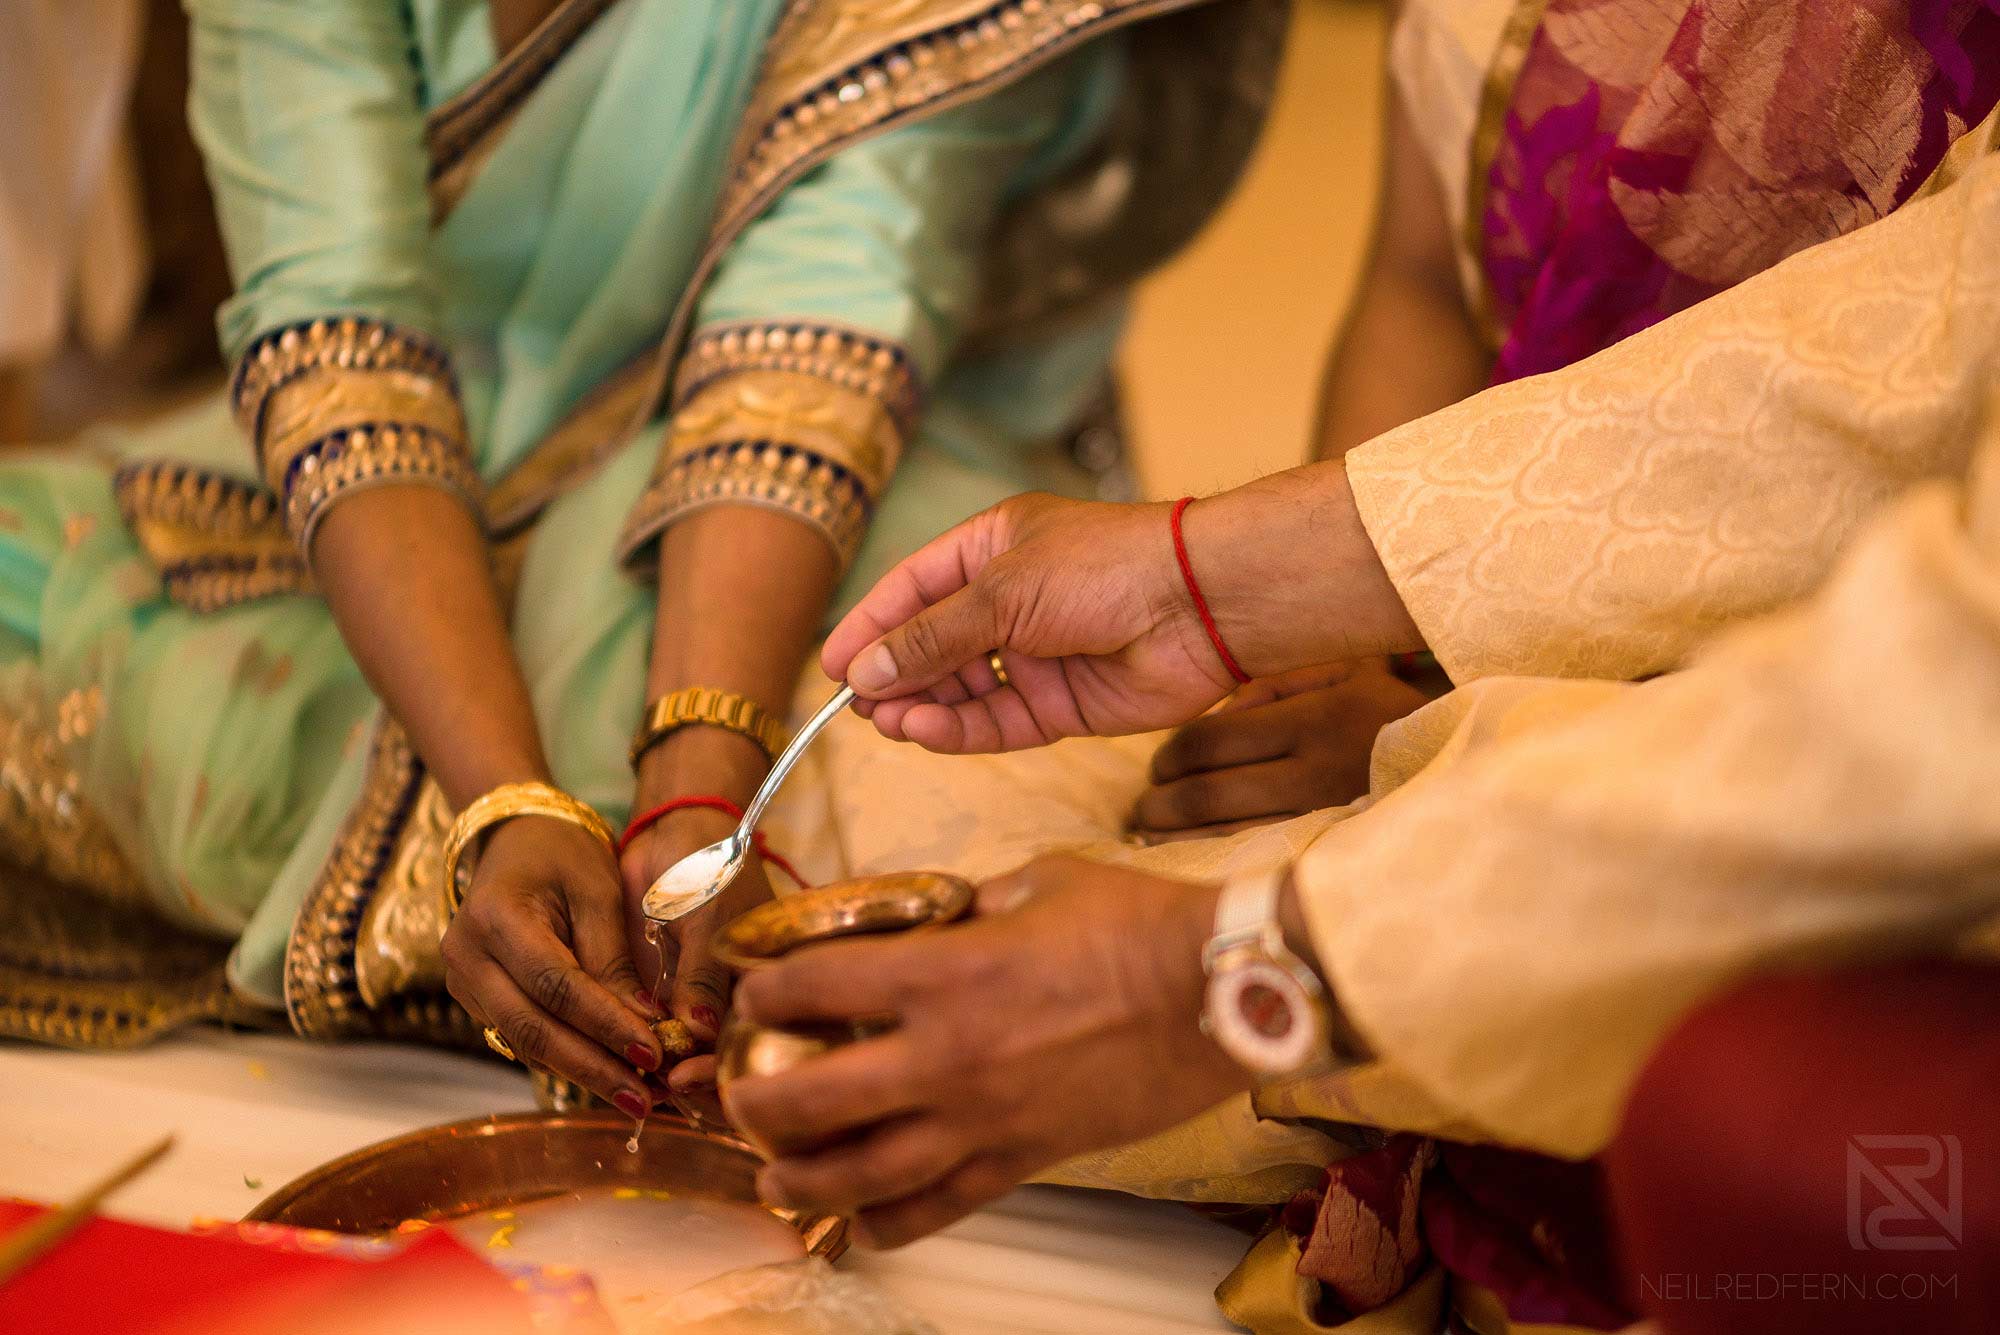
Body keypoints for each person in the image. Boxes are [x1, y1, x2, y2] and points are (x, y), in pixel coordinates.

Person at [721, 89, 2000, 1335]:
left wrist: (1241, 971)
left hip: (1798, 790)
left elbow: (1936, 722)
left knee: (1757, 1123)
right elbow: (1914, 332)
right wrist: (1211, 581)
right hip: (1493, 672)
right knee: (905, 882)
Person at [0, 0, 1286, 1115]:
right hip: (396, 475)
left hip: (822, 490)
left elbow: (811, 346)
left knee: (939, 827)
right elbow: (338, 338)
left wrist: (700, 779)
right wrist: (502, 800)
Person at [1129, 0, 2000, 844]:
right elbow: (1426, 283)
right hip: (1440, 623)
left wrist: (1448, 734)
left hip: (1802, 723)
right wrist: (1328, 640)